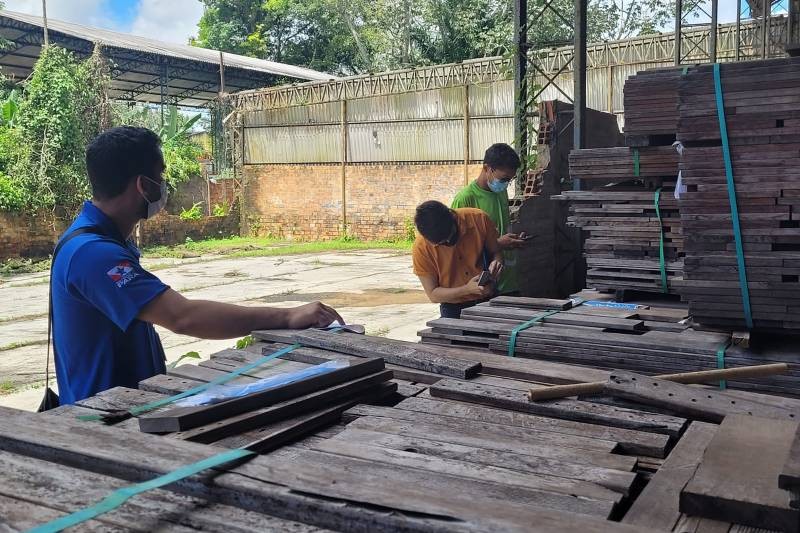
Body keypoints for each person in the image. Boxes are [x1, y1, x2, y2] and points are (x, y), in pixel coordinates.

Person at [50, 126, 343, 405]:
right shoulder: (93, 254)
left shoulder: (104, 241)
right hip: (102, 415)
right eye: (160, 176)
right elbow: (182, 317)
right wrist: (288, 316)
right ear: (143, 185)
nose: (163, 185)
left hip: (127, 403)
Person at [451, 143, 528, 295]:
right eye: (504, 179)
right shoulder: (465, 199)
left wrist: (512, 240)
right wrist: (498, 244)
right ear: (487, 168)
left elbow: (499, 229)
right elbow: (457, 249)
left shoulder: (500, 192)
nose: (506, 184)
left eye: (509, 180)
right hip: (481, 285)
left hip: (508, 281)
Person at [411, 200, 503, 318]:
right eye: (442, 243)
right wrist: (466, 290)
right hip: (453, 307)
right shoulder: (421, 248)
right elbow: (433, 294)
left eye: (451, 235)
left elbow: (496, 252)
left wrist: (496, 264)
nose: (449, 242)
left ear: (452, 216)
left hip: (488, 297)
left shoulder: (479, 219)